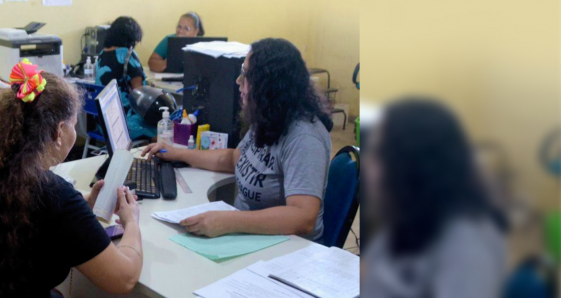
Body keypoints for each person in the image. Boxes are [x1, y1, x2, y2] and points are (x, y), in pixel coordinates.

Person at [0, 61, 143, 298]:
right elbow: (123, 279)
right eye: (74, 125)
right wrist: (131, 221)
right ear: (59, 131)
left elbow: (30, 216)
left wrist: (83, 204)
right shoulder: (55, 195)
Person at [143, 38, 333, 240]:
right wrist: (178, 153)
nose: (238, 81)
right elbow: (235, 159)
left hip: (287, 248)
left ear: (269, 84)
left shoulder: (304, 137)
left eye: (246, 75)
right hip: (251, 236)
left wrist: (227, 221)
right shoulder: (270, 115)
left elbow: (303, 217)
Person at [361, 99, 507, 298]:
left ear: (414, 164)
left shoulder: (468, 247)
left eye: (378, 154)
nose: (368, 165)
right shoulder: (408, 215)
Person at [94, 16, 154, 140]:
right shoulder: (128, 55)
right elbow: (140, 94)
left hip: (103, 123)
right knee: (165, 127)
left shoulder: (102, 54)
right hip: (125, 124)